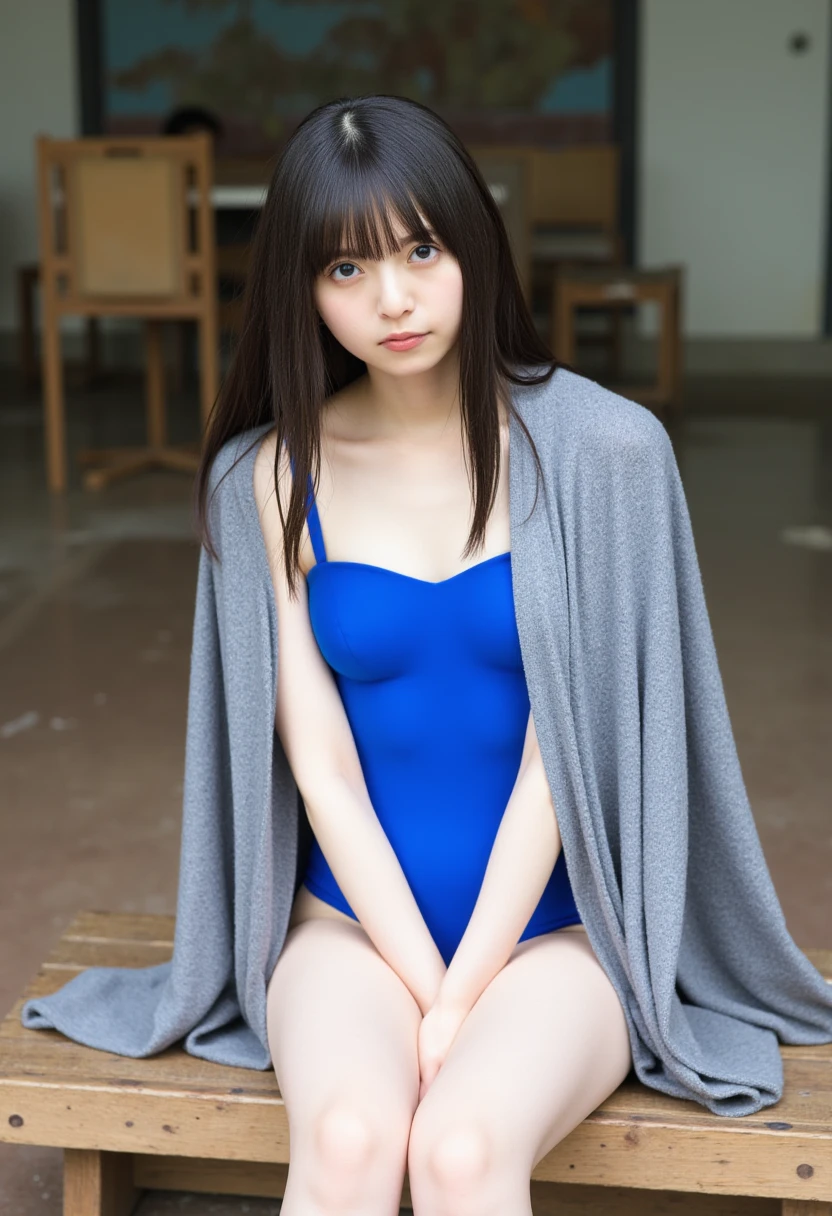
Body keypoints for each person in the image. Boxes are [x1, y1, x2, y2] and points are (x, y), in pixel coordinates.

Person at [194, 93, 632, 1215]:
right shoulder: (271, 474)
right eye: (344, 270)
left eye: (421, 250)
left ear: (471, 243)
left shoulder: (592, 453)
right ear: (299, 290)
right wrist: (422, 985)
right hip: (349, 925)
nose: (391, 299)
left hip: (555, 934)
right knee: (346, 1138)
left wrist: (466, 989)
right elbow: (324, 772)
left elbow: (559, 762)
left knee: (457, 1152)